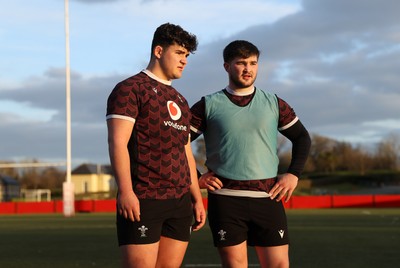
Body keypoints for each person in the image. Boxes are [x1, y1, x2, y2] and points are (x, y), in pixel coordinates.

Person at [190, 40, 311, 268]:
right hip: (226, 199)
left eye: (253, 63)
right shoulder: (208, 104)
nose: (248, 69)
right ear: (227, 66)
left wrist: (293, 174)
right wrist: (196, 177)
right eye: (241, 63)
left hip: (268, 197)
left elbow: (302, 138)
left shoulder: (274, 103)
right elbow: (177, 141)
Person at [106, 22, 206, 268]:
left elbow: (186, 153)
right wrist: (127, 192)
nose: (184, 61)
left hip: (180, 201)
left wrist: (196, 197)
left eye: (187, 56)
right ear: (159, 51)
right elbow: (117, 143)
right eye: (179, 53)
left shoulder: (181, 100)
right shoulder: (130, 89)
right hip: (144, 199)